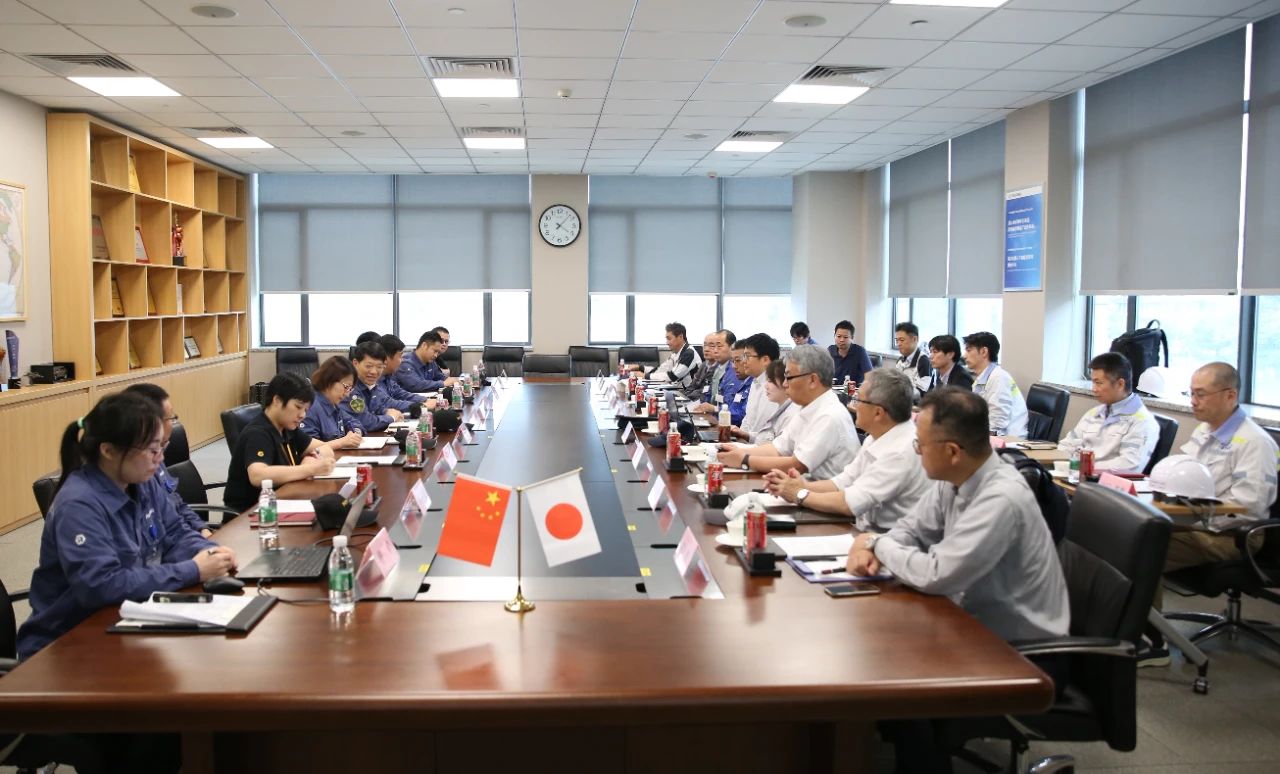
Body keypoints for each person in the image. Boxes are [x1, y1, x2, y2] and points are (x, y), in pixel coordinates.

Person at [18, 393, 236, 659]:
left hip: (125, 617)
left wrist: (210, 552)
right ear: (108, 451)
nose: (159, 459)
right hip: (67, 643)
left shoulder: (142, 480)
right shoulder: (78, 504)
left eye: (161, 447)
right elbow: (101, 585)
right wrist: (193, 569)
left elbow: (175, 532)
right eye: (151, 450)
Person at [1141, 362, 1280, 667]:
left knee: (1144, 548)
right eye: (1191, 393)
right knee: (1129, 532)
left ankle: (1154, 643)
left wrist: (1193, 518)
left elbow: (1249, 507)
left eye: (1201, 394)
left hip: (1233, 536)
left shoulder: (1255, 443)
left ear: (1230, 395)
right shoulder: (1205, 431)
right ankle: (1121, 628)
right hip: (1197, 525)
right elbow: (1179, 474)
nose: (1193, 401)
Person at [765, 368, 929, 534]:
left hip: (888, 538)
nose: (853, 405)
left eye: (858, 399)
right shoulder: (877, 435)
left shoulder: (900, 451)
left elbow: (849, 503)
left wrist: (798, 493)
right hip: (865, 530)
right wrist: (802, 485)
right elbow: (843, 482)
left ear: (878, 412)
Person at [717, 344, 860, 479]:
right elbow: (778, 449)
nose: (785, 384)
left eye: (789, 377)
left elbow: (797, 465)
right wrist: (737, 451)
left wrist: (744, 460)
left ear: (812, 380)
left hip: (819, 491)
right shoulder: (807, 408)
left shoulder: (828, 415)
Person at [224, 372, 335, 513]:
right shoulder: (257, 433)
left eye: (306, 410)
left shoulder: (287, 427)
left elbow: (325, 448)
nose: (303, 415)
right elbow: (258, 476)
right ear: (277, 400)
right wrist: (310, 469)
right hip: (251, 514)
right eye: (298, 407)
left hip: (283, 502)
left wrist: (310, 458)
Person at [122, 383, 215, 538]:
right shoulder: (138, 471)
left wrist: (202, 530)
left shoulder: (152, 460)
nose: (161, 457)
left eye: (161, 446)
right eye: (171, 417)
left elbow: (176, 505)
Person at [1057, 352, 1159, 472]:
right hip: (1075, 476)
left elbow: (1130, 465)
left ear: (1120, 384)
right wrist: (1062, 464)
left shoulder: (1142, 421)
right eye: (1093, 382)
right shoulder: (1093, 413)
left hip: (1103, 481)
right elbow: (1067, 445)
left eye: (1098, 383)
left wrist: (1082, 467)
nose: (1094, 389)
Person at [962, 331, 1028, 437]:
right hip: (990, 435)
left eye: (969, 350)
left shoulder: (999, 377)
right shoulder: (983, 378)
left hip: (1009, 439)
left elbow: (997, 424)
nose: (964, 356)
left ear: (984, 352)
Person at [343, 341, 415, 434]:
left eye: (379, 367)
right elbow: (366, 422)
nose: (374, 371)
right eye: (369, 366)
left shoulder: (372, 386)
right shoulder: (349, 388)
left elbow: (380, 406)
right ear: (355, 363)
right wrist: (391, 417)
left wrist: (386, 411)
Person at [300, 355, 364, 451]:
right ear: (329, 379)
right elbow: (306, 448)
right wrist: (341, 442)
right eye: (346, 387)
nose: (347, 394)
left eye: (350, 389)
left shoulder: (333, 405)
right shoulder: (311, 407)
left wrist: (355, 434)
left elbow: (353, 422)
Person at [690, 330, 745, 424]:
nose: (715, 350)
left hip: (726, 422)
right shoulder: (716, 368)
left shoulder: (737, 371)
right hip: (712, 417)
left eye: (719, 346)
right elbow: (708, 395)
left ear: (731, 347)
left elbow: (733, 409)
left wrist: (714, 409)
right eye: (713, 346)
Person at [378, 333, 430, 410]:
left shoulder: (387, 377)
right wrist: (422, 405)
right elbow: (388, 403)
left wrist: (425, 400)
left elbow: (400, 393)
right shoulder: (374, 380)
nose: (402, 360)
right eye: (400, 356)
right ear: (387, 358)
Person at [649, 322, 702, 389]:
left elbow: (673, 376)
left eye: (669, 339)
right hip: (682, 390)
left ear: (680, 337)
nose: (667, 342)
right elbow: (662, 369)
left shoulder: (689, 353)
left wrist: (647, 376)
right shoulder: (675, 353)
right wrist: (643, 370)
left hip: (691, 393)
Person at [828, 319, 873, 387]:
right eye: (839, 336)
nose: (841, 340)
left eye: (845, 337)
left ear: (852, 338)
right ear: (834, 336)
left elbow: (869, 376)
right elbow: (823, 373)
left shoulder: (860, 351)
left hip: (853, 390)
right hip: (834, 390)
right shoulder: (830, 350)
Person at [893, 321, 933, 396]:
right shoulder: (900, 360)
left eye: (902, 340)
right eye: (897, 340)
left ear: (914, 339)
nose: (898, 344)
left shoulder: (923, 360)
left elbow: (921, 391)